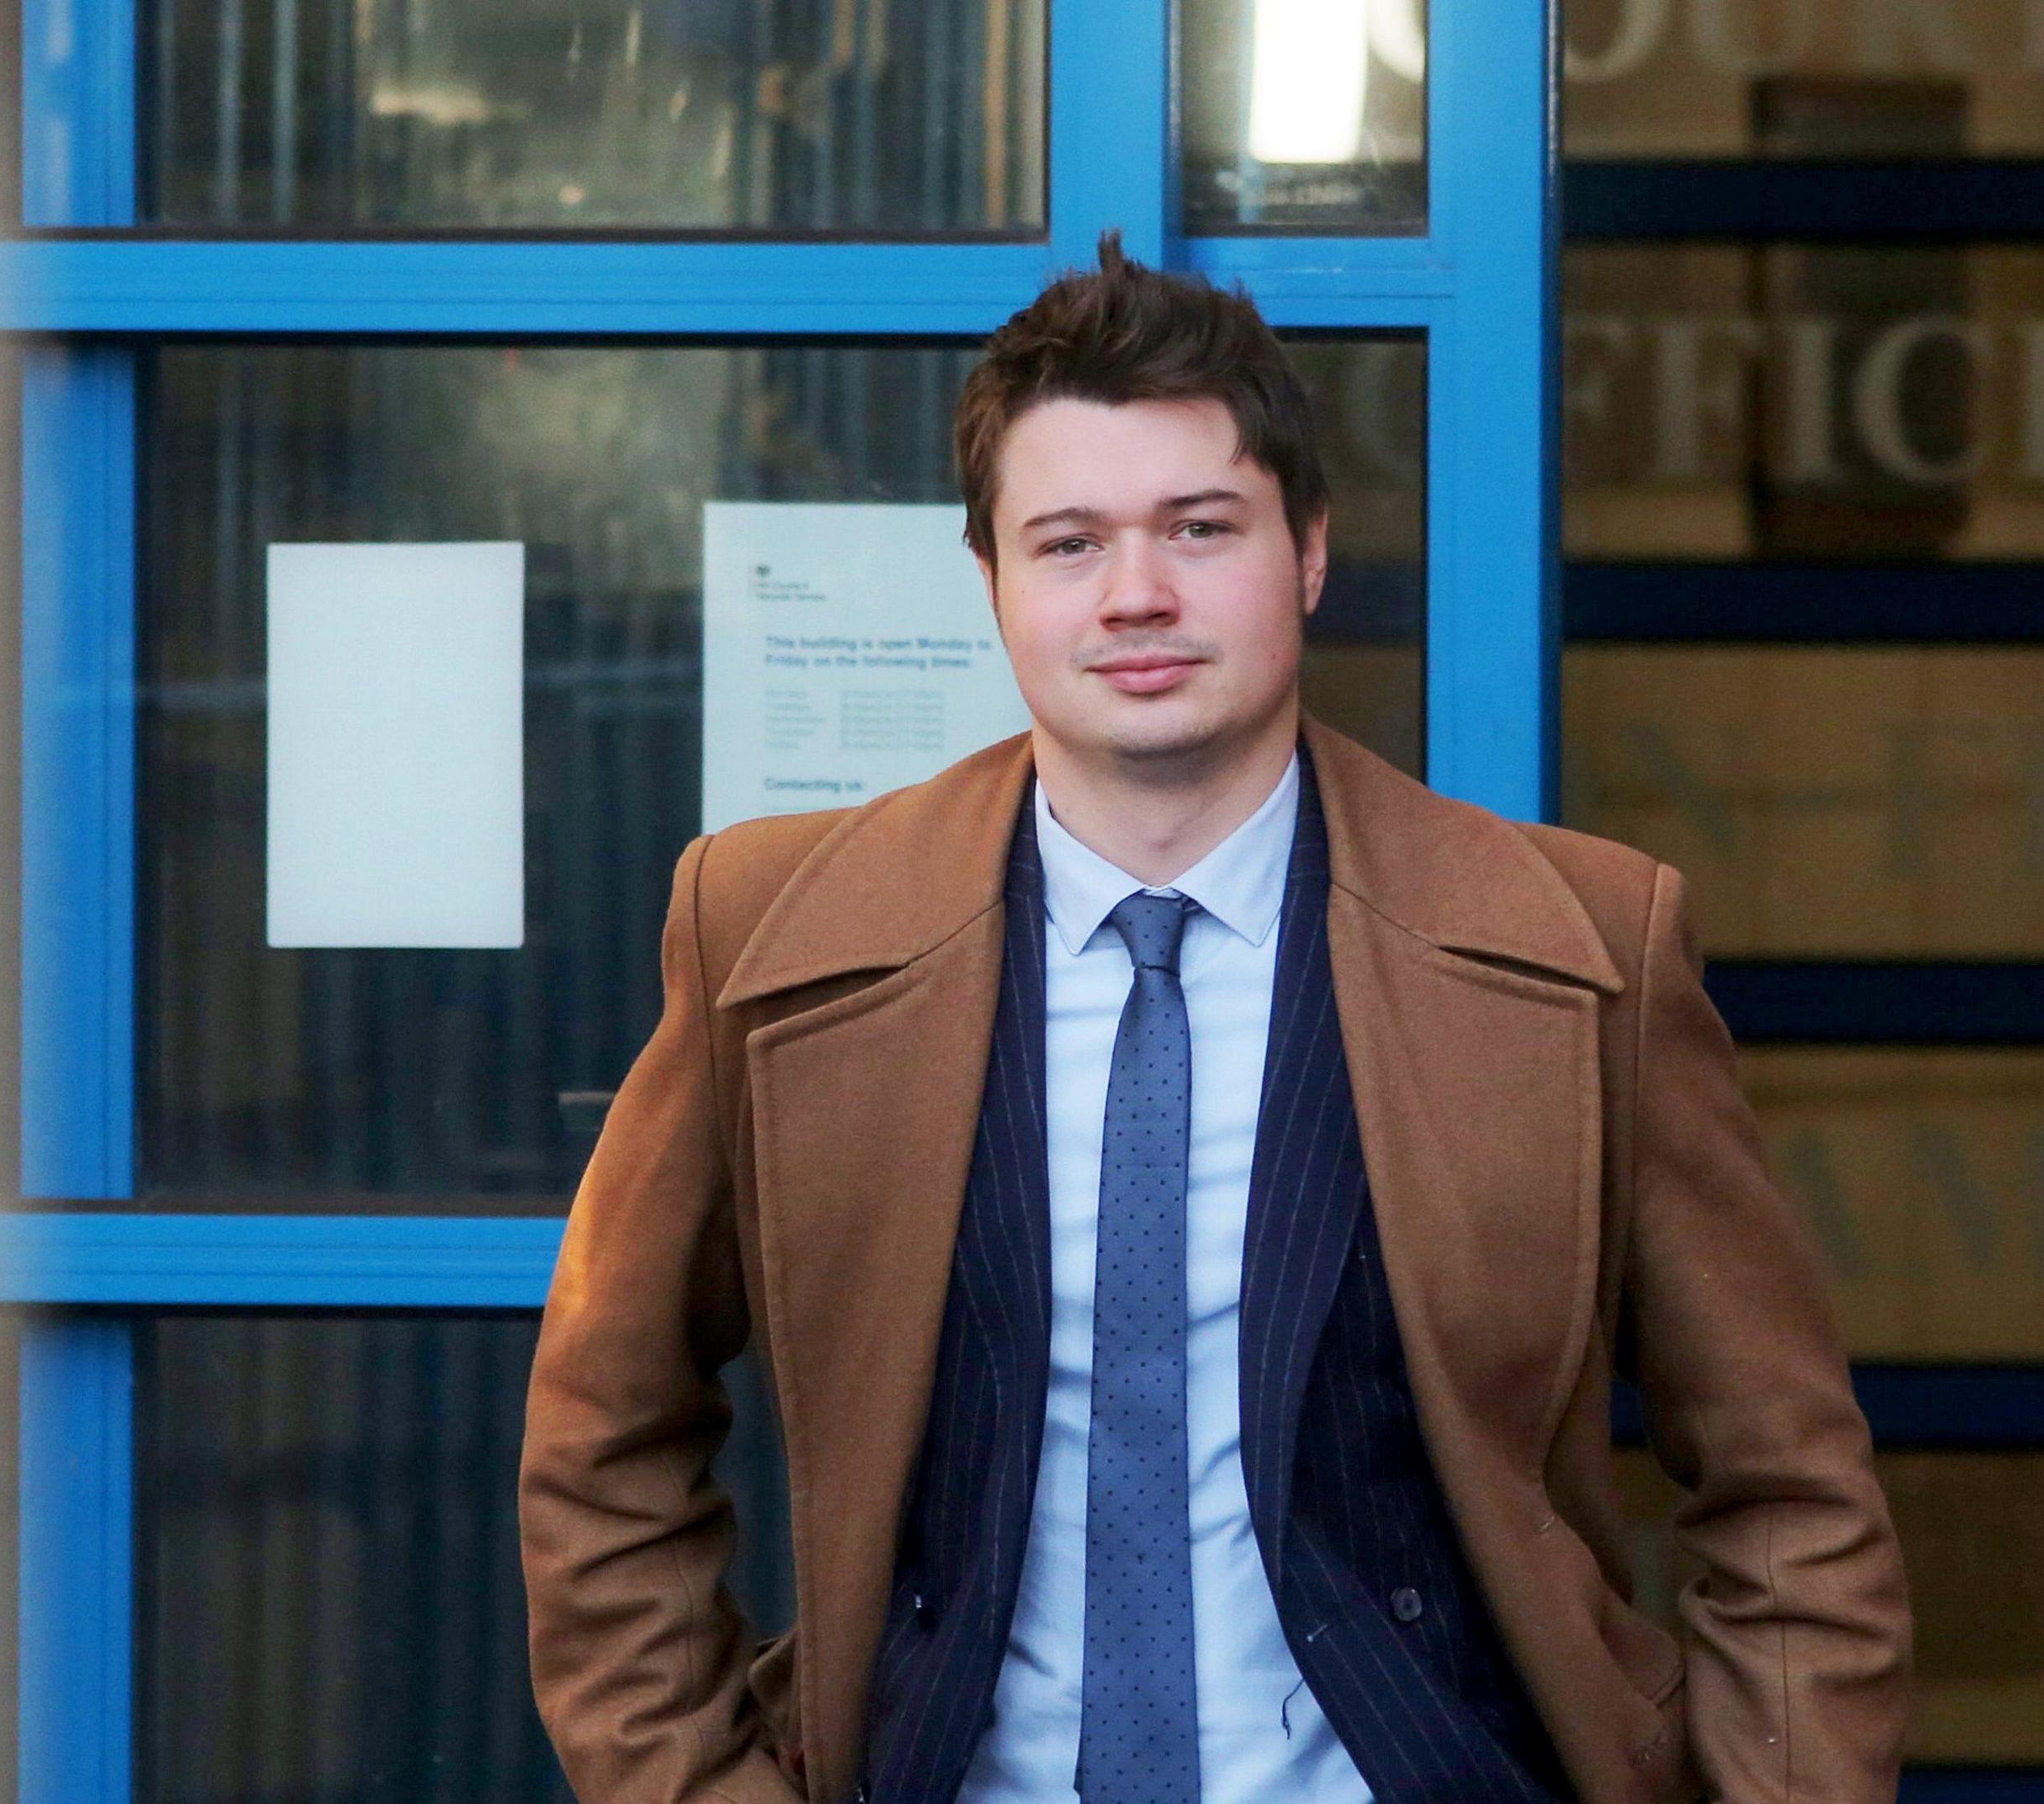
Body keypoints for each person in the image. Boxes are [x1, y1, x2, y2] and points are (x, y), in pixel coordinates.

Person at [519, 232, 1909, 1804]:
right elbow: (601, 1442)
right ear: (989, 584)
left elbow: (1793, 1497)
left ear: (1309, 550)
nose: (1137, 595)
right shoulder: (768, 934)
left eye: (1200, 526)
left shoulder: (1589, 951)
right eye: (1068, 543)